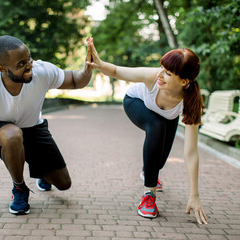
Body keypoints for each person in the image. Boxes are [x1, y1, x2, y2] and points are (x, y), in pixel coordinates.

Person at [0, 35, 92, 215]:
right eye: (20, 64)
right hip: (1, 130)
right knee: (13, 136)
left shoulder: (41, 71)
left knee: (64, 184)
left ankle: (40, 172)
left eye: (29, 59)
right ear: (1, 68)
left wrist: (87, 68)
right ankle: (19, 188)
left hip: (33, 128)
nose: (29, 66)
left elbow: (74, 80)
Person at [86, 37, 208, 224]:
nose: (160, 75)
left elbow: (191, 152)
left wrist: (195, 195)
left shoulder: (191, 102)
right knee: (156, 126)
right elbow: (117, 71)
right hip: (136, 102)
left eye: (168, 73)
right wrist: (99, 63)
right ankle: (148, 196)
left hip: (168, 117)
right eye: (161, 68)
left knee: (157, 164)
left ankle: (148, 171)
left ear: (184, 81)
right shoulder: (153, 77)